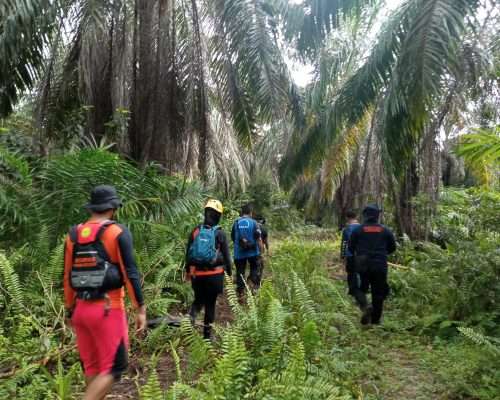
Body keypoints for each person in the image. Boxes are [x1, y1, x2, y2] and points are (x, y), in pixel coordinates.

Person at [63, 185, 146, 400]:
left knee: (92, 367)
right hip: (108, 310)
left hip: (81, 311)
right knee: (115, 368)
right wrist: (140, 309)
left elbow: (67, 276)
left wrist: (69, 310)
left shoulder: (73, 235)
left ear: (92, 208)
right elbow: (130, 273)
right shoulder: (117, 232)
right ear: (113, 208)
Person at [185, 199, 232, 340]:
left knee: (198, 301)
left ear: (205, 212)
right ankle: (206, 336)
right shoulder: (220, 234)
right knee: (210, 304)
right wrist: (229, 276)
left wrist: (188, 272)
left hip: (197, 275)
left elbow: (188, 255)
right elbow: (228, 259)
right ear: (218, 215)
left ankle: (189, 324)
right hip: (215, 275)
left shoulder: (195, 231)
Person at [348, 204, 396, 325]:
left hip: (362, 263)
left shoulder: (357, 230)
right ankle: (375, 321)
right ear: (377, 216)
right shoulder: (385, 231)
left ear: (365, 216)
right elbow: (392, 248)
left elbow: (351, 247)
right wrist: (382, 253)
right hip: (380, 264)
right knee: (378, 292)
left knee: (359, 288)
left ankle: (365, 306)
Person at [231, 203, 263, 296]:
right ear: (251, 212)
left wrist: (240, 245)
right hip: (253, 252)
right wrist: (260, 252)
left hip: (239, 253)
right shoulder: (254, 223)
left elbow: (233, 237)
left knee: (240, 272)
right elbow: (258, 239)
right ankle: (252, 284)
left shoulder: (236, 223)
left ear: (242, 213)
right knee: (254, 267)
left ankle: (240, 292)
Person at [340, 210, 361, 300]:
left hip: (350, 254)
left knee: (351, 272)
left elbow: (344, 243)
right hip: (362, 254)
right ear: (356, 217)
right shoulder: (362, 227)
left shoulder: (347, 229)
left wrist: (343, 255)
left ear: (347, 218)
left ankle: (352, 291)